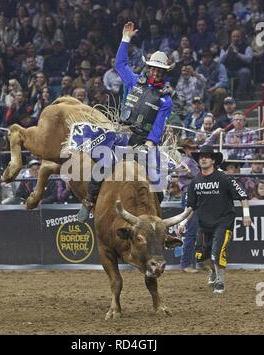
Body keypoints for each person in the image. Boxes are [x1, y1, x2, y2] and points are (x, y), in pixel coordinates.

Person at [77, 21, 174, 222]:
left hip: (144, 140)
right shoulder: (134, 80)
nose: (156, 72)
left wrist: (149, 144)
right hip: (122, 134)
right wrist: (125, 39)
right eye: (153, 68)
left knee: (157, 183)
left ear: (164, 73)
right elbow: (120, 64)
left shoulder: (166, 99)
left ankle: (156, 221)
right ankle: (88, 202)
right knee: (102, 165)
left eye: (160, 70)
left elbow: (158, 125)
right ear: (148, 68)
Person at [178, 145, 251, 294]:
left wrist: (246, 214)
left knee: (217, 252)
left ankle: (220, 281)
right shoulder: (195, 182)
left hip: (224, 222)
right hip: (204, 225)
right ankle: (213, 271)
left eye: (206, 156)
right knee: (200, 256)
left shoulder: (224, 178)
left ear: (213, 161)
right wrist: (183, 223)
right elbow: (190, 206)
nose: (203, 158)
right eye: (200, 156)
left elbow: (242, 196)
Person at [177, 138, 200, 273]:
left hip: (193, 196)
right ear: (185, 149)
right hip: (190, 196)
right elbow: (198, 176)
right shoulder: (186, 162)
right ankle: (185, 263)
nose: (194, 150)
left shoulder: (190, 161)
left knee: (195, 230)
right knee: (192, 231)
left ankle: (190, 262)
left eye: (194, 148)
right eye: (191, 148)